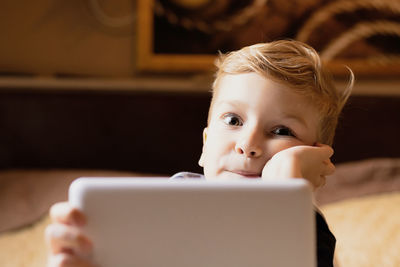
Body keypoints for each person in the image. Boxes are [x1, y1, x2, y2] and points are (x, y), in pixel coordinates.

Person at [45, 39, 353, 267]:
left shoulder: (310, 230)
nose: (248, 144)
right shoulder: (167, 203)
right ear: (205, 146)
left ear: (317, 161)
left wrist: (286, 187)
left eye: (282, 131)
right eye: (233, 120)